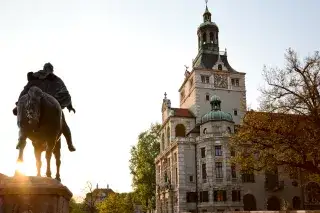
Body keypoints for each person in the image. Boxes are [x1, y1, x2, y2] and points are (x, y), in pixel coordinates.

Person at [13, 63, 76, 151]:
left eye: (49, 69)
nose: (48, 70)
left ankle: (70, 144)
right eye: (47, 69)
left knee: (63, 124)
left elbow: (64, 91)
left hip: (47, 102)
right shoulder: (39, 78)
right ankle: (21, 139)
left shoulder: (54, 80)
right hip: (39, 101)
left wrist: (69, 106)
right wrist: (19, 103)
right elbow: (26, 89)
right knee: (24, 120)